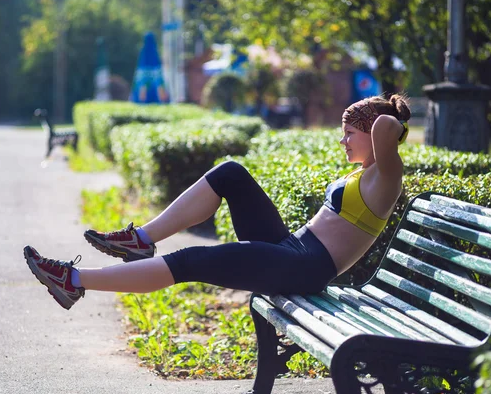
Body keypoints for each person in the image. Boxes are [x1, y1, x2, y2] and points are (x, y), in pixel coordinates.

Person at [24, 94, 411, 310]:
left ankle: (72, 280)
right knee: (230, 173)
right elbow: (377, 131)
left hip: (305, 267)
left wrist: (383, 112)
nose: (342, 142)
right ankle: (141, 239)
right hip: (292, 248)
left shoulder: (385, 177)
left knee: (191, 260)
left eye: (349, 134)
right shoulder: (364, 173)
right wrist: (363, 121)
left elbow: (386, 126)